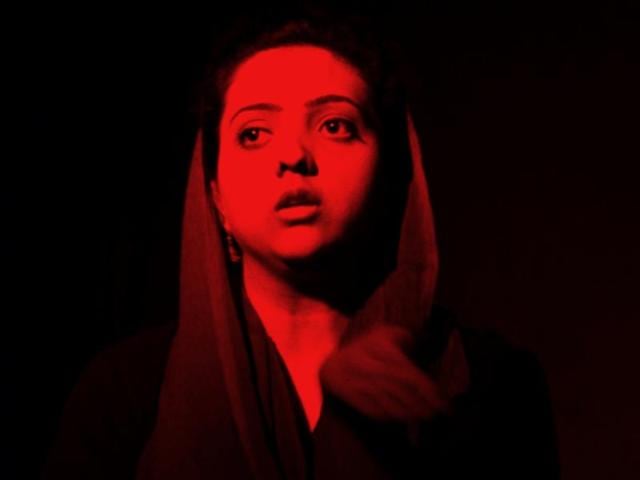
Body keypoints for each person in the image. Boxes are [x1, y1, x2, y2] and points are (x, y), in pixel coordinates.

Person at [42, 9, 560, 480]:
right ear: (215, 197)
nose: (292, 154)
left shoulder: (489, 384)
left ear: (391, 175)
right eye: (254, 133)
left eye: (335, 126)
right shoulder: (127, 390)